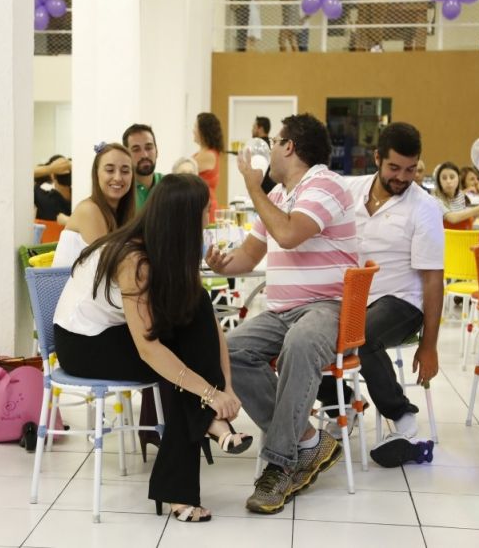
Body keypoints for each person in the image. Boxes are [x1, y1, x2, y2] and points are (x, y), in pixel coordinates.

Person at [54, 174, 252, 522]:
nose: (209, 219)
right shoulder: (135, 260)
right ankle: (186, 478)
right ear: (184, 219)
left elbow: (209, 326)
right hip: (84, 343)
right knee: (176, 368)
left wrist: (226, 389)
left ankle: (187, 470)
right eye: (205, 212)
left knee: (199, 307)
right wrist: (208, 394)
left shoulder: (168, 249)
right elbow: (149, 350)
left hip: (118, 333)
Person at [205, 113, 356, 514]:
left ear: (289, 146)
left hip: (327, 307)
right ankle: (308, 439)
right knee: (226, 351)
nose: (268, 150)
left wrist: (253, 187)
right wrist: (223, 265)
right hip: (282, 311)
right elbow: (248, 256)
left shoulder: (326, 184)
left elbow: (289, 234)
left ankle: (279, 465)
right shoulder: (277, 197)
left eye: (274, 142)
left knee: (300, 343)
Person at [315, 122, 443, 467]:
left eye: (411, 169)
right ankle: (341, 402)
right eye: (394, 168)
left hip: (402, 300)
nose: (403, 177)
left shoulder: (425, 208)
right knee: (301, 333)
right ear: (376, 158)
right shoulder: (349, 190)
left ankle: (403, 420)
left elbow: (433, 280)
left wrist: (429, 344)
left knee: (362, 333)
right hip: (351, 298)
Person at [51, 142, 135, 267]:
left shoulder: (121, 213)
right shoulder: (89, 210)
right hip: (72, 285)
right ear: (96, 173)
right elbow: (109, 267)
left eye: (125, 171)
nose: (118, 177)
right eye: (110, 170)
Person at [433, 162, 479, 229]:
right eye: (444, 178)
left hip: (465, 235)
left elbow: (473, 215)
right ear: (439, 181)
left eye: (452, 177)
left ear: (458, 179)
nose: (448, 181)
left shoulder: (461, 196)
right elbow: (453, 218)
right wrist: (477, 210)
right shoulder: (436, 199)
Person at [122, 124, 163, 208]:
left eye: (149, 148)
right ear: (126, 155)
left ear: (157, 151)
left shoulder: (169, 185)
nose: (144, 155)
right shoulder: (120, 189)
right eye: (136, 149)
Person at [193, 113, 223, 221]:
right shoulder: (202, 154)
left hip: (205, 209)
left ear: (203, 131)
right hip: (200, 207)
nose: (193, 130)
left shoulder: (208, 155)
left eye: (195, 127)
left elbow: (181, 173)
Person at [33, 154, 72, 225]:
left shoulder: (44, 199)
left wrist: (50, 168)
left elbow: (23, 174)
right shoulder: (82, 202)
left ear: (52, 176)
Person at [252, 116, 277, 194]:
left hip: (262, 189)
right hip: (272, 187)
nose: (252, 130)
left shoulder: (258, 145)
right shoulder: (273, 145)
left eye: (254, 127)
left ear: (260, 128)